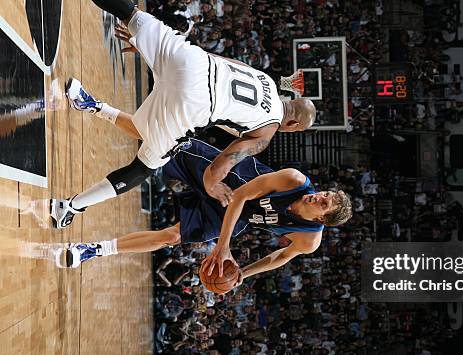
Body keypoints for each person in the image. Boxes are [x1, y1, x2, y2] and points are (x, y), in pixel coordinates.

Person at [50, 0, 316, 229]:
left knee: (131, 15)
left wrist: (151, 48)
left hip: (194, 61)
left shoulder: (266, 79)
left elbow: (222, 60)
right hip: (195, 104)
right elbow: (222, 164)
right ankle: (70, 206)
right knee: (145, 165)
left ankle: (91, 105)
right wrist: (213, 186)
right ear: (292, 124)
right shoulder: (267, 132)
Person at [56, 139, 352, 289]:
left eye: (324, 204)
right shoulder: (294, 180)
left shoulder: (308, 240)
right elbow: (238, 197)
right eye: (325, 194)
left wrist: (242, 275)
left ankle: (92, 250)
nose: (320, 197)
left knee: (172, 237)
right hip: (228, 178)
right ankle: (99, 108)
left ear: (321, 220)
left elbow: (280, 258)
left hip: (240, 216)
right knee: (162, 146)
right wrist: (222, 247)